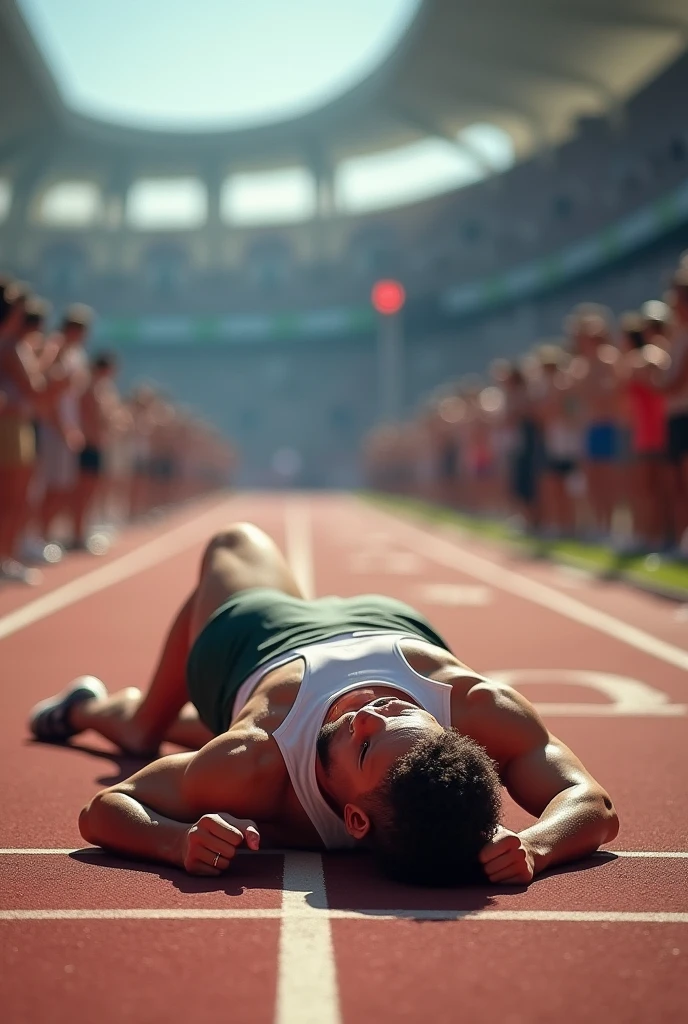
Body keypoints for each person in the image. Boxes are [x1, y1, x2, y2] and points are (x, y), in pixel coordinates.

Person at [29, 521, 618, 887]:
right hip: (387, 621)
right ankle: (146, 718)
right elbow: (592, 801)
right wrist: (539, 846)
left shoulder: (254, 761)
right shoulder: (474, 706)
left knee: (233, 542)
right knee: (238, 538)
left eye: (362, 745)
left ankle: (126, 718)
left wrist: (174, 843)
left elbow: (105, 808)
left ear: (356, 819)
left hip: (260, 635)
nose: (366, 710)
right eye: (397, 713)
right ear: (446, 732)